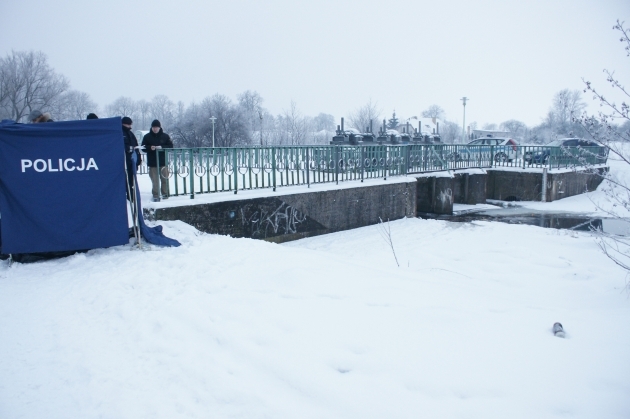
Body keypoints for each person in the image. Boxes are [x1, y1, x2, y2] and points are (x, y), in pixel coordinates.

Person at [142, 119, 173, 202]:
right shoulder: (147, 136)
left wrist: (162, 147)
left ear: (159, 127)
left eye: (156, 127)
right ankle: (155, 195)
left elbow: (171, 146)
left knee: (165, 179)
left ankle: (165, 194)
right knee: (154, 181)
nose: (155, 129)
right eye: (153, 127)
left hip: (163, 162)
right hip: (153, 163)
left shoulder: (165, 136)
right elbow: (143, 147)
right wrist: (149, 147)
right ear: (151, 127)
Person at [121, 117, 142, 200]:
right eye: (128, 124)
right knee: (125, 178)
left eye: (130, 124)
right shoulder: (120, 133)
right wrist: (128, 148)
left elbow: (136, 147)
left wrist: (139, 158)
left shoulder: (131, 134)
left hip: (132, 160)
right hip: (124, 160)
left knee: (131, 178)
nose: (129, 126)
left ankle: (131, 194)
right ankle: (127, 194)